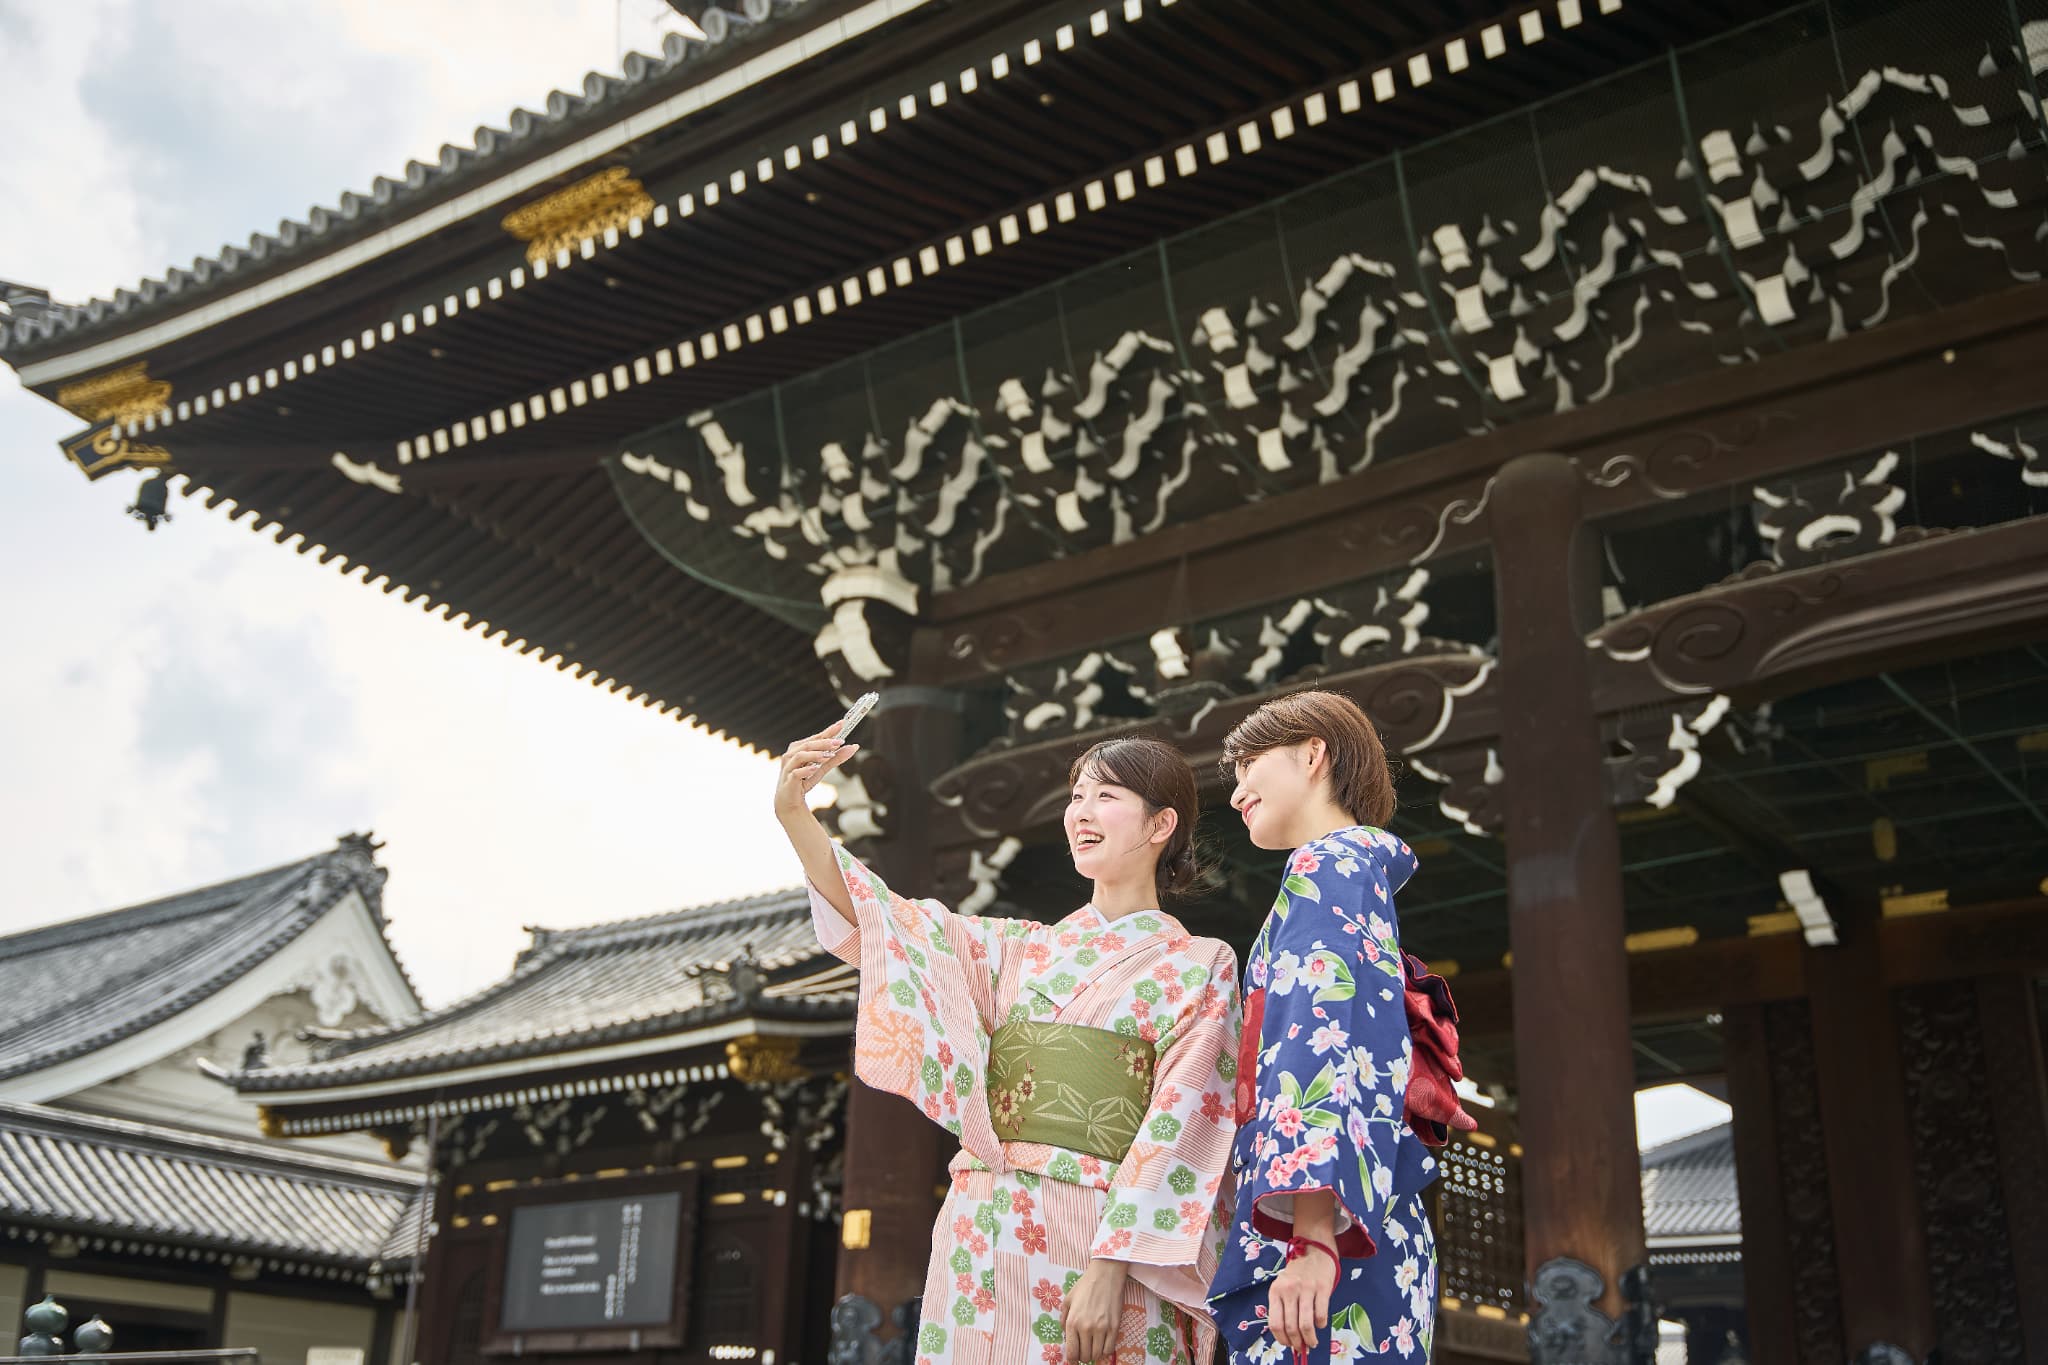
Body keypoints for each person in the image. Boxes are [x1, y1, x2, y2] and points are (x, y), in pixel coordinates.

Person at [776, 727, 1242, 1365]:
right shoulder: (1015, 950)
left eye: (1106, 795)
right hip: (985, 1221)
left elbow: (1187, 1119)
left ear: (1161, 823)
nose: (1080, 812)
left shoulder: (1198, 963)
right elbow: (885, 922)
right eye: (1076, 796)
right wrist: (795, 816)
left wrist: (1109, 1268)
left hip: (1103, 1237)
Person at [1208, 690, 1466, 1364]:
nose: (1236, 792)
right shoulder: (1355, 872)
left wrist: (1313, 1235)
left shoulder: (1328, 865)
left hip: (1322, 1237)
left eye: (1248, 764)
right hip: (1355, 1220)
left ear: (1313, 753)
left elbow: (1321, 1044)